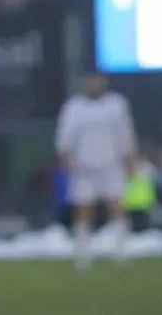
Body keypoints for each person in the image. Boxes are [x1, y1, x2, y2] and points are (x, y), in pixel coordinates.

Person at [55, 71, 138, 270]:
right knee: (83, 210)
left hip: (111, 164)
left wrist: (130, 158)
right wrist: (66, 157)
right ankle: (82, 257)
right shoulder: (74, 108)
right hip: (83, 166)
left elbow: (125, 133)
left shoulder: (116, 104)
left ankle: (121, 254)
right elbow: (65, 136)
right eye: (90, 80)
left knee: (116, 207)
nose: (94, 84)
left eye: (97, 80)